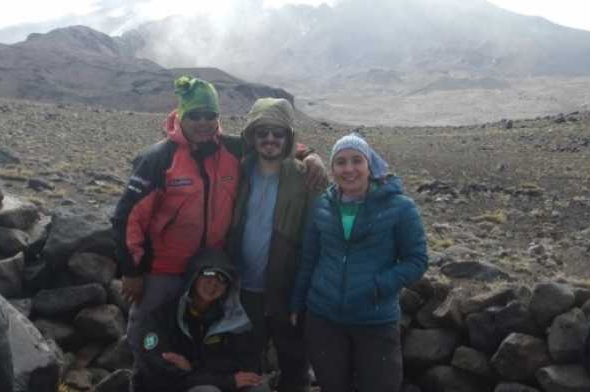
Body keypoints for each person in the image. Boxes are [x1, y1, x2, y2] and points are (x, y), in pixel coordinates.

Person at [112, 76, 325, 359]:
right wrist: (131, 270)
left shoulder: (232, 149)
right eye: (195, 115)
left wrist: (310, 155)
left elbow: (274, 140)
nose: (203, 122)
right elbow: (127, 216)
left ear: (217, 117)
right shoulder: (158, 158)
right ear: (180, 115)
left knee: (196, 342)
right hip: (162, 273)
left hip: (210, 273)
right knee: (150, 340)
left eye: (209, 115)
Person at [289, 133, 429, 392]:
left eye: (356, 160)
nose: (349, 169)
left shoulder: (400, 208)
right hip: (324, 318)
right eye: (340, 162)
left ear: (369, 165)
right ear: (332, 169)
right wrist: (298, 303)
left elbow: (417, 260)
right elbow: (309, 260)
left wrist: (379, 285)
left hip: (374, 321)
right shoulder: (322, 206)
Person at [225, 98, 318, 392]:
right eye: (262, 132)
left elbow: (316, 238)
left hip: (287, 291)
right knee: (245, 360)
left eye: (277, 133)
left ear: (288, 137)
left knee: (294, 362)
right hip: (244, 289)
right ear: (251, 136)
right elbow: (200, 138)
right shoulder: (238, 170)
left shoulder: (306, 176)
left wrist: (303, 293)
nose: (269, 139)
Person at [132, 247, 269, 392]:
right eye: (208, 274)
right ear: (193, 276)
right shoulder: (161, 317)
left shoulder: (233, 320)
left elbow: (248, 366)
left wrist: (193, 367)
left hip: (214, 382)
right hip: (173, 388)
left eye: (222, 278)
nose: (213, 283)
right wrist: (225, 379)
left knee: (258, 387)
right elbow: (159, 371)